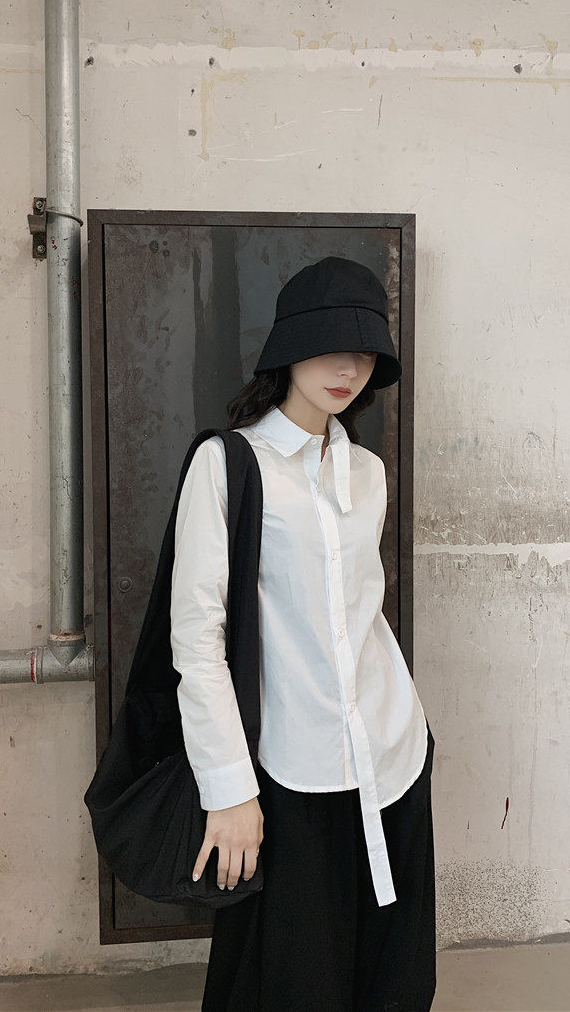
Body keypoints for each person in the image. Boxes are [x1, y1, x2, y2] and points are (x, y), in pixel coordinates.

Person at [169, 256, 436, 1012]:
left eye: (365, 352)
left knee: (393, 980)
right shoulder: (229, 464)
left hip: (390, 753)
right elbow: (197, 638)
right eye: (329, 346)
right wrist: (229, 789)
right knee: (291, 983)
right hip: (289, 765)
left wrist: (412, 734)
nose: (348, 368)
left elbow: (360, 614)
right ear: (289, 349)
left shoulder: (368, 474)